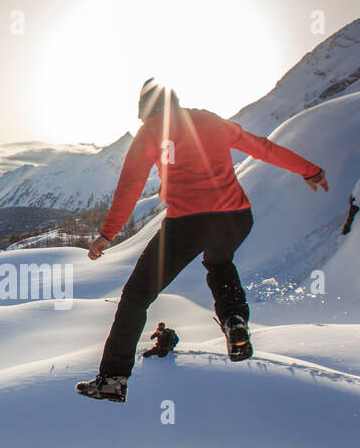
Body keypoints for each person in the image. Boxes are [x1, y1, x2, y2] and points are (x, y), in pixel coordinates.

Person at [76, 79, 328, 403]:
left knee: (137, 297)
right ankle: (234, 322)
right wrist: (309, 170)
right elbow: (262, 147)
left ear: (145, 109)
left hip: (188, 221)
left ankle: (112, 379)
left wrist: (107, 234)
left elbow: (130, 185)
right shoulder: (210, 121)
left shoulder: (151, 130)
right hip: (236, 217)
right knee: (219, 263)